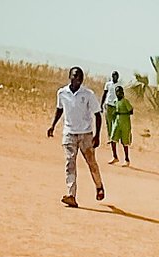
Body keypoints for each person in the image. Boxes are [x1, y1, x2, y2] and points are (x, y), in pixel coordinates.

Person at [46, 67, 104, 208]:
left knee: (91, 163)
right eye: (74, 77)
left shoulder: (88, 94)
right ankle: (71, 195)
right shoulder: (62, 93)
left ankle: (99, 186)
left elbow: (97, 114)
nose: (77, 80)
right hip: (69, 133)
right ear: (70, 77)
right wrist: (53, 125)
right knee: (70, 163)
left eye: (80, 78)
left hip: (85, 134)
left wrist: (97, 135)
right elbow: (60, 109)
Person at [107, 85, 134, 166]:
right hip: (117, 122)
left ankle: (127, 159)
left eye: (120, 91)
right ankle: (115, 156)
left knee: (124, 142)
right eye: (117, 91)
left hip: (125, 123)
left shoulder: (125, 101)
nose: (119, 93)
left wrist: (121, 113)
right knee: (113, 139)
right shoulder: (115, 101)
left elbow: (131, 111)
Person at [100, 71, 123, 142]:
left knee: (116, 122)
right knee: (109, 122)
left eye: (116, 76)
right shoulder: (108, 84)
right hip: (108, 105)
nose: (114, 77)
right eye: (113, 75)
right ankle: (110, 137)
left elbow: (122, 96)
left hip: (116, 106)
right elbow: (104, 94)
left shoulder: (120, 85)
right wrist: (101, 104)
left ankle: (116, 136)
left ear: (118, 77)